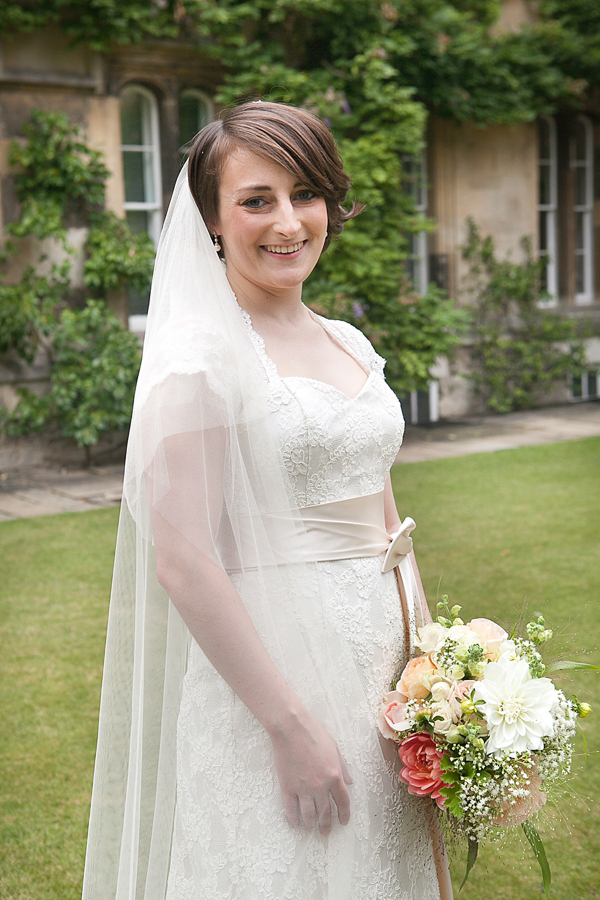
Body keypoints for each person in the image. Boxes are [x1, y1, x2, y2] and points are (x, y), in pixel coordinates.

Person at [82, 101, 453, 900]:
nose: (288, 221)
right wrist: (286, 726)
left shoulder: (347, 341)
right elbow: (182, 562)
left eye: (306, 193)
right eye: (257, 200)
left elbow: (387, 524)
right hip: (276, 682)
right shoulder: (199, 360)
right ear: (213, 220)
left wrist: (445, 673)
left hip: (384, 680)